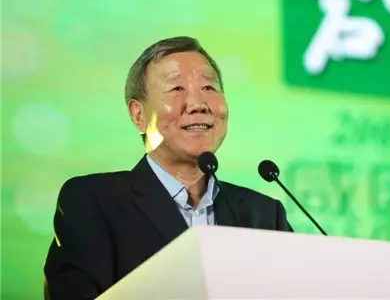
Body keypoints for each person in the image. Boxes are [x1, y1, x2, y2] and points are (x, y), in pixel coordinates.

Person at [43, 36, 293, 300]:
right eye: (176, 88)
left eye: (209, 87)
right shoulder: (94, 201)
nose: (198, 104)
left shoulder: (264, 215)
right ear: (138, 115)